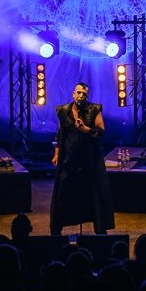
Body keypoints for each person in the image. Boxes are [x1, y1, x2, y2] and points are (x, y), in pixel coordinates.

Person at [49, 82, 115, 236]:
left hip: (89, 159)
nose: (81, 96)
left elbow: (101, 131)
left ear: (87, 96)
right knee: (62, 192)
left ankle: (100, 229)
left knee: (94, 192)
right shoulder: (63, 111)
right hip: (69, 158)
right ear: (73, 94)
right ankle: (56, 230)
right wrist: (57, 153)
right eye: (78, 93)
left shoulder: (94, 109)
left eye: (84, 94)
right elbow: (60, 133)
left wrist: (85, 129)